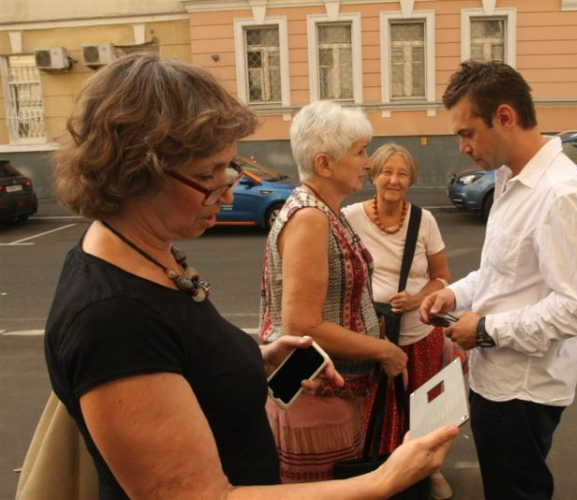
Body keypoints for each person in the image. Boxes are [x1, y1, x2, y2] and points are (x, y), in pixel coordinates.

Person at [44, 53, 458, 499]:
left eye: (230, 167)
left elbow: (183, 362)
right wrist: (383, 480)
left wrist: (258, 360)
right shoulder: (114, 320)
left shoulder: (146, 255)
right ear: (137, 174)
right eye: (208, 175)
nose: (226, 193)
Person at [420, 60, 577, 499]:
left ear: (505, 117)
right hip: (499, 378)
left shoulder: (559, 194)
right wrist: (452, 293)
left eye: (467, 133)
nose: (463, 147)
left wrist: (484, 330)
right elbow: (502, 273)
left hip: (521, 391)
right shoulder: (508, 178)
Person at [259, 100, 410, 483]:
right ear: (325, 163)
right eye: (359, 152)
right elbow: (303, 324)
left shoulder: (322, 209)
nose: (367, 162)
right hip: (315, 398)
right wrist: (383, 350)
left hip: (327, 395)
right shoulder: (310, 217)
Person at [342, 143, 454, 499]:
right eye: (386, 172)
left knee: (424, 409)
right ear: (373, 176)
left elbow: (442, 277)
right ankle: (379, 471)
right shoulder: (349, 217)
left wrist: (419, 298)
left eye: (402, 173)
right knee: (374, 410)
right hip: (372, 335)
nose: (394, 180)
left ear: (411, 179)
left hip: (419, 333)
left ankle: (431, 468)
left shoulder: (424, 221)